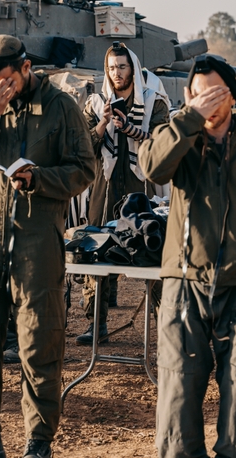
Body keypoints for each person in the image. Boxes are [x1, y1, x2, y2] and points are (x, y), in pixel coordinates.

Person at [138, 54, 236, 458]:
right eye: (192, 95)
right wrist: (187, 118)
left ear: (230, 95)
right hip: (184, 283)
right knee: (178, 386)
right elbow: (152, 168)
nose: (200, 102)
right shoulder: (179, 138)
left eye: (208, 94)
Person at [0, 35, 96, 458]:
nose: (0, 89)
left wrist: (40, 178)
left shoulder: (61, 107)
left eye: (7, 80)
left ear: (26, 68)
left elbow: (85, 168)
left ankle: (38, 441)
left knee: (38, 342)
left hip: (36, 242)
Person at [76, 42, 170, 345]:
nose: (117, 73)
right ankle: (96, 323)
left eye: (122, 67)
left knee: (151, 254)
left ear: (133, 69)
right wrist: (104, 122)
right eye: (112, 67)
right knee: (98, 251)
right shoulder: (95, 103)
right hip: (104, 186)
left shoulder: (154, 102)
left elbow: (163, 141)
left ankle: (166, 325)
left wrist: (131, 130)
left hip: (140, 186)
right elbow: (84, 148)